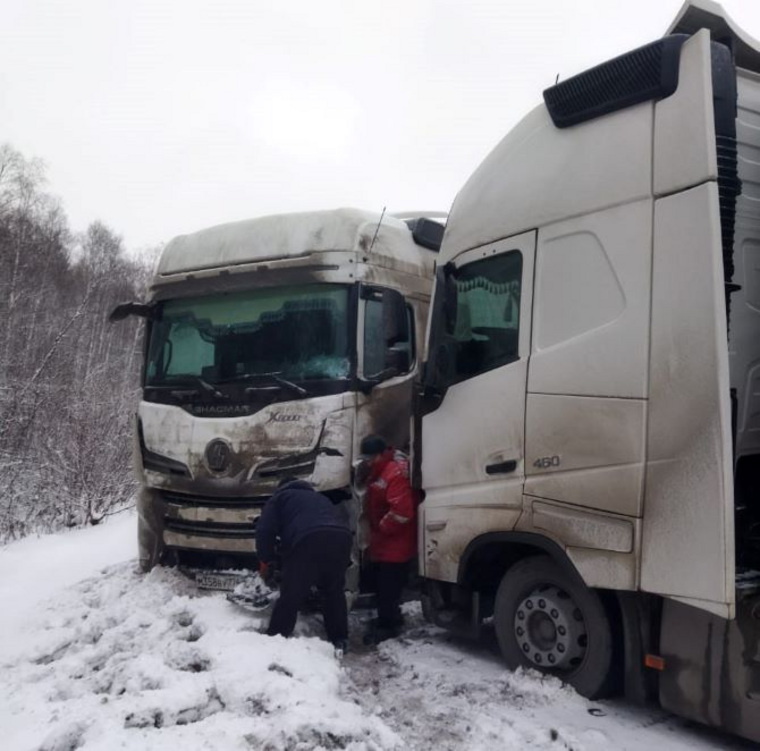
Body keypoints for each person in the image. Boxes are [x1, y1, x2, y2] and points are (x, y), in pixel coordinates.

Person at [255, 478, 352, 651]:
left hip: (309, 537)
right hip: (341, 538)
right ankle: (339, 639)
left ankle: (275, 639)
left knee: (292, 591)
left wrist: (266, 560)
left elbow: (264, 530)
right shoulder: (320, 498)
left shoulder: (279, 498)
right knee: (333, 591)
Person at [358, 435, 418, 643]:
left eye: (371, 458)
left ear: (382, 454)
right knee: (382, 583)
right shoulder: (381, 469)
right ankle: (389, 618)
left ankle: (388, 626)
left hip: (395, 542)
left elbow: (402, 511)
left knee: (388, 586)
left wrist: (380, 528)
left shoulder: (395, 473)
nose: (368, 462)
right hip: (385, 541)